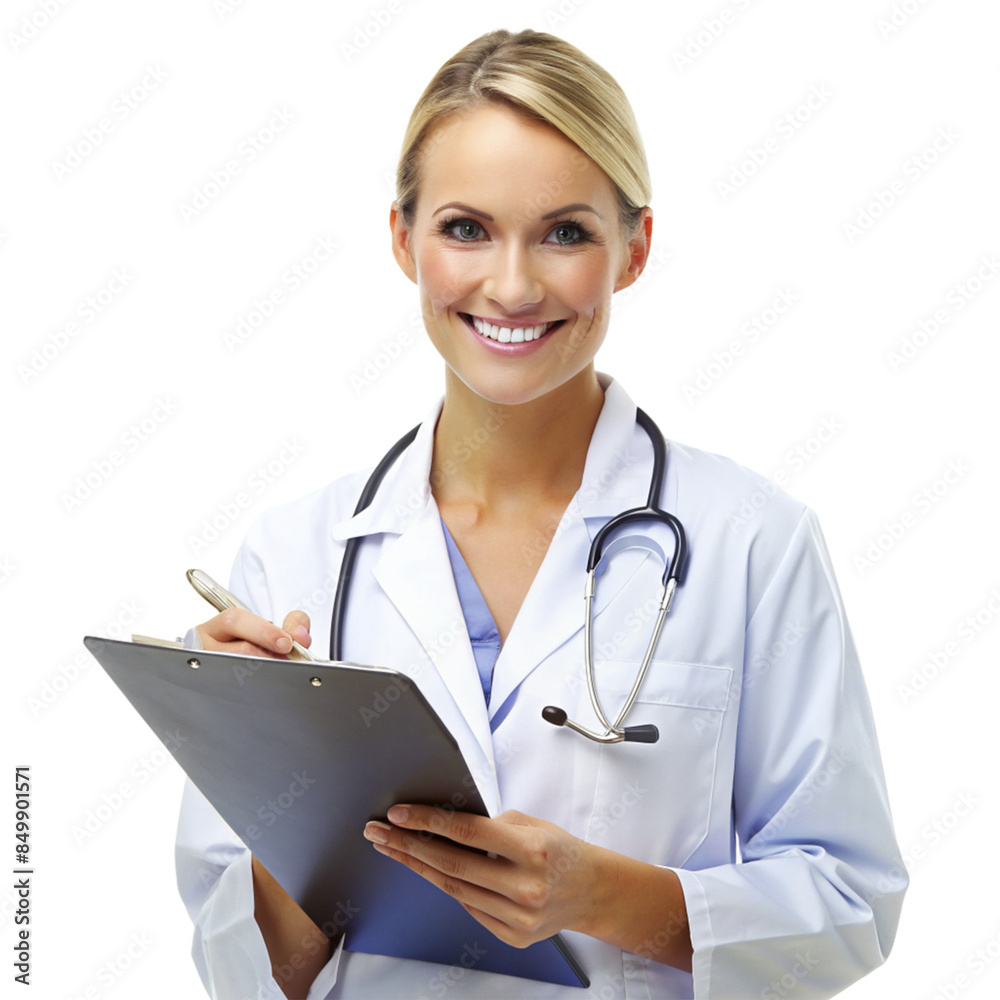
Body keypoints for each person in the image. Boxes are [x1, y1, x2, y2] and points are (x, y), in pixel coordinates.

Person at [175, 28, 907, 1000]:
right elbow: (251, 970)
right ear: (403, 240)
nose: (511, 285)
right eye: (465, 228)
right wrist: (283, 778)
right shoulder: (298, 552)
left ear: (634, 247)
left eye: (564, 232)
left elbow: (848, 903)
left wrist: (601, 895)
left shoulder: (751, 541)